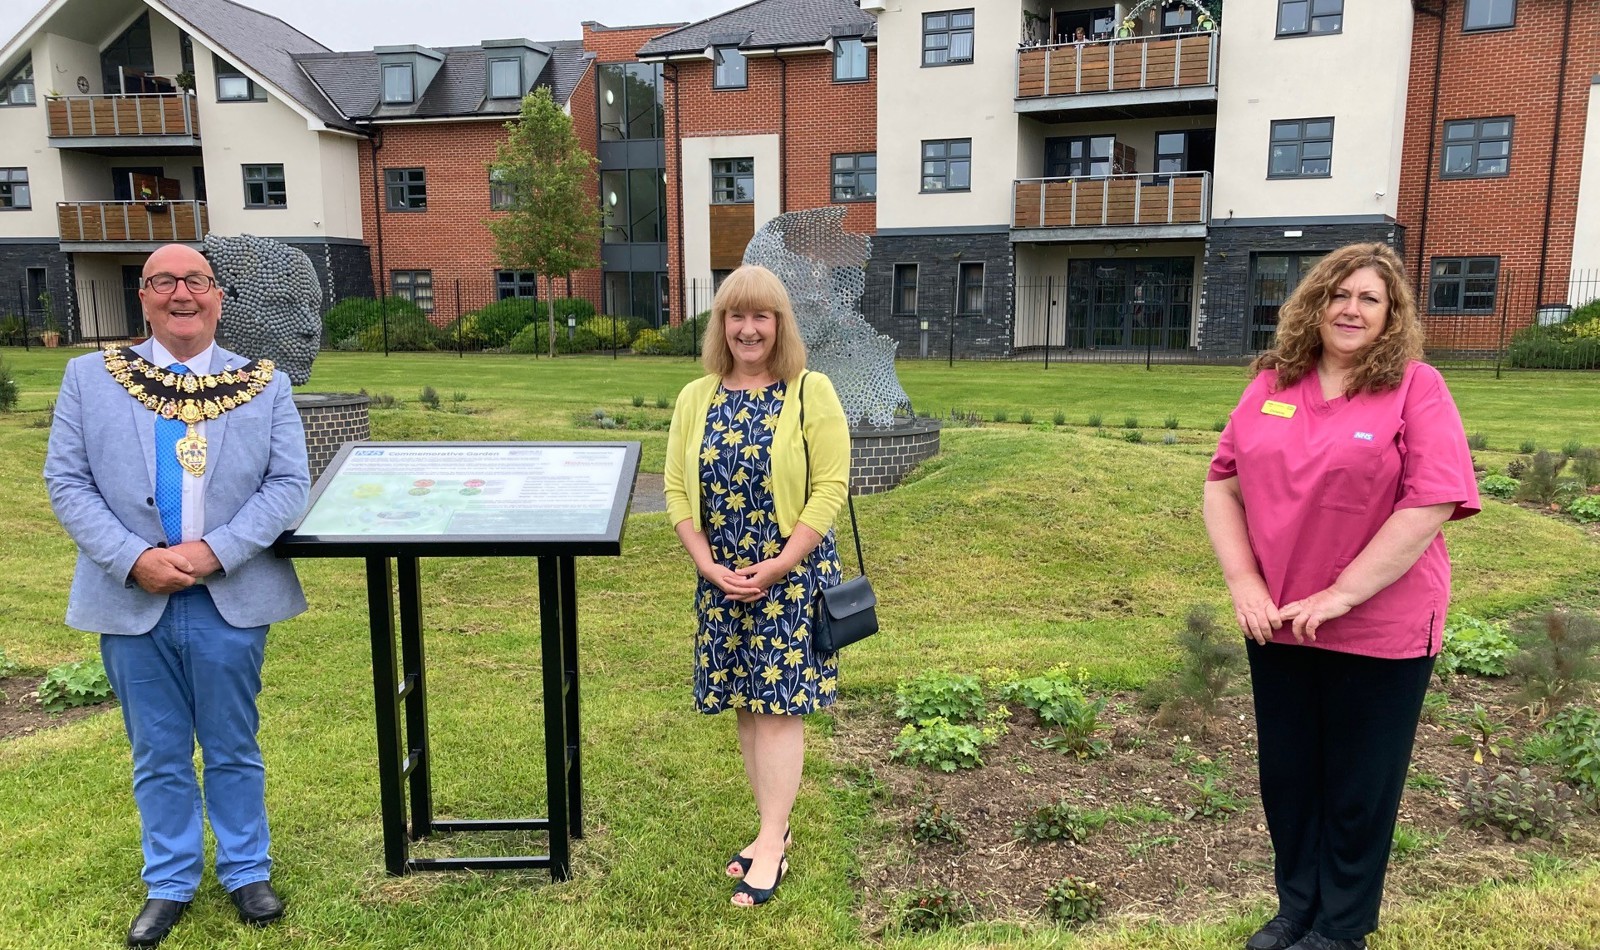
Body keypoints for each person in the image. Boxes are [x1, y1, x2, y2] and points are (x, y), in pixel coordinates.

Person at [1203, 243, 1479, 950]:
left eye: (1370, 299)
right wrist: (1244, 583)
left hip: (1378, 626)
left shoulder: (1417, 388)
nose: (1351, 309)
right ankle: (1297, 907)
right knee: (1289, 780)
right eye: (1339, 294)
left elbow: (1432, 502)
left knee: (1359, 788)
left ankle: (1341, 927)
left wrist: (1343, 595)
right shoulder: (1272, 380)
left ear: (1391, 317)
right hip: (1279, 621)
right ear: (1315, 303)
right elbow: (1223, 483)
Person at [43, 244, 310, 948]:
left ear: (218, 297)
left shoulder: (263, 384)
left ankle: (247, 871)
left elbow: (287, 486)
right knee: (157, 749)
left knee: (232, 743)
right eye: (165, 282)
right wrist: (135, 560)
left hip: (229, 593)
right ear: (144, 296)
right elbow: (67, 483)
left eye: (195, 281)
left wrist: (209, 552)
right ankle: (169, 881)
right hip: (132, 596)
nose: (181, 294)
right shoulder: (89, 378)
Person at [663, 264, 850, 907]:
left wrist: (775, 566)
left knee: (777, 710)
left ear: (779, 324)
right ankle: (773, 824)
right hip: (722, 578)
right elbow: (676, 493)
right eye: (735, 316)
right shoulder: (697, 398)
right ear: (721, 325)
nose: (748, 329)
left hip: (789, 579)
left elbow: (829, 489)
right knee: (748, 706)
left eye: (761, 316)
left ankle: (771, 842)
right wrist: (705, 562)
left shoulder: (809, 391)